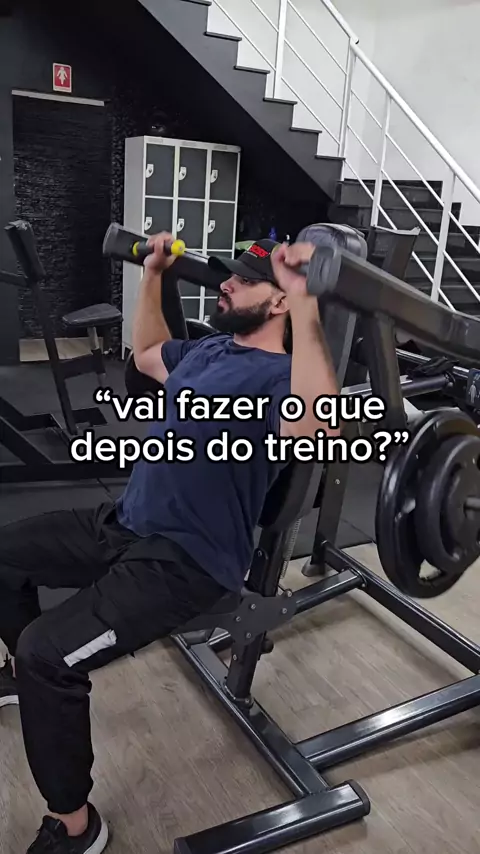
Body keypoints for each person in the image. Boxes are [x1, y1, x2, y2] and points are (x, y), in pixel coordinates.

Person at [0, 234, 339, 854]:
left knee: (48, 652)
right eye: (229, 275)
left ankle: (75, 825)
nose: (226, 284)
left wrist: (309, 300)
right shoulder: (209, 349)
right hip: (126, 522)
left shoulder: (282, 378)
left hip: (186, 562)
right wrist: (154, 274)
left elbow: (316, 427)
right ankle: (28, 680)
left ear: (280, 303)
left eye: (243, 280)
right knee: (5, 555)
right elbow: (148, 354)